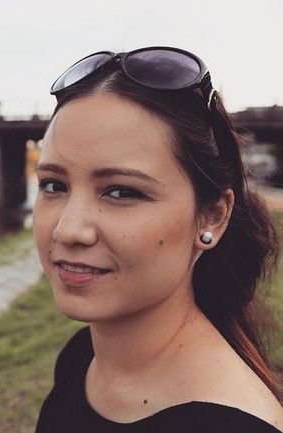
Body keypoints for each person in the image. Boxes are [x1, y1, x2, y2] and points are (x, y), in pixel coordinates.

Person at [32, 46, 283, 432]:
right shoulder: (82, 357)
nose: (68, 230)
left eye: (121, 191)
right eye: (53, 185)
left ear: (212, 216)